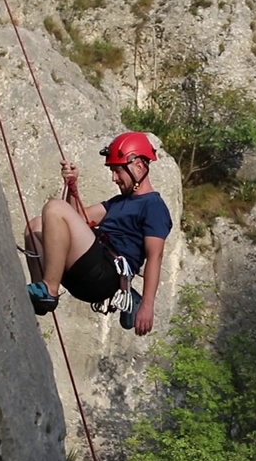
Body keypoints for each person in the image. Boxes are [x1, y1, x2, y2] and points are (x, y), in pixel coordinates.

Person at [24, 132, 172, 335]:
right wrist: (72, 185)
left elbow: (156, 256)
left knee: (55, 207)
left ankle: (49, 289)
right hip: (88, 268)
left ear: (138, 166)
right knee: (35, 227)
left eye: (118, 171)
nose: (114, 178)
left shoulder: (153, 206)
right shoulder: (117, 203)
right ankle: (41, 294)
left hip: (105, 273)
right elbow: (75, 220)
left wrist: (148, 305)